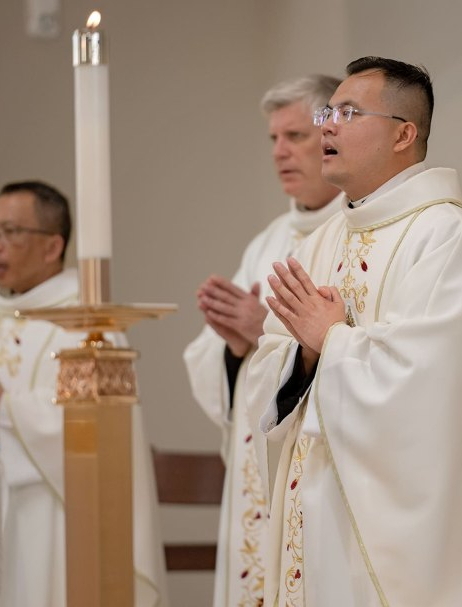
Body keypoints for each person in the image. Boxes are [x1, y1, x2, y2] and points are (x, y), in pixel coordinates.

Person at [244, 56, 462, 607]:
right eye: (329, 111)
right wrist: (302, 357)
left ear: (404, 134)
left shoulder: (444, 236)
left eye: (348, 113)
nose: (328, 125)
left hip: (398, 537)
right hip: (318, 513)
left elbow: (435, 389)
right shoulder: (322, 240)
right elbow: (271, 364)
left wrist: (332, 341)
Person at [183, 74, 342, 606]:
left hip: (321, 466)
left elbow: (358, 346)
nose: (280, 152)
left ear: (333, 131)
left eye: (295, 136)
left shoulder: (358, 229)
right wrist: (233, 348)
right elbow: (220, 366)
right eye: (273, 139)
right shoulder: (268, 241)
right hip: (258, 467)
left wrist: (262, 330)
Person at [0, 181, 167, 607]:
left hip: (57, 523)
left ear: (52, 245)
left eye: (11, 232)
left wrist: (4, 408)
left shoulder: (89, 322)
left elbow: (101, 433)